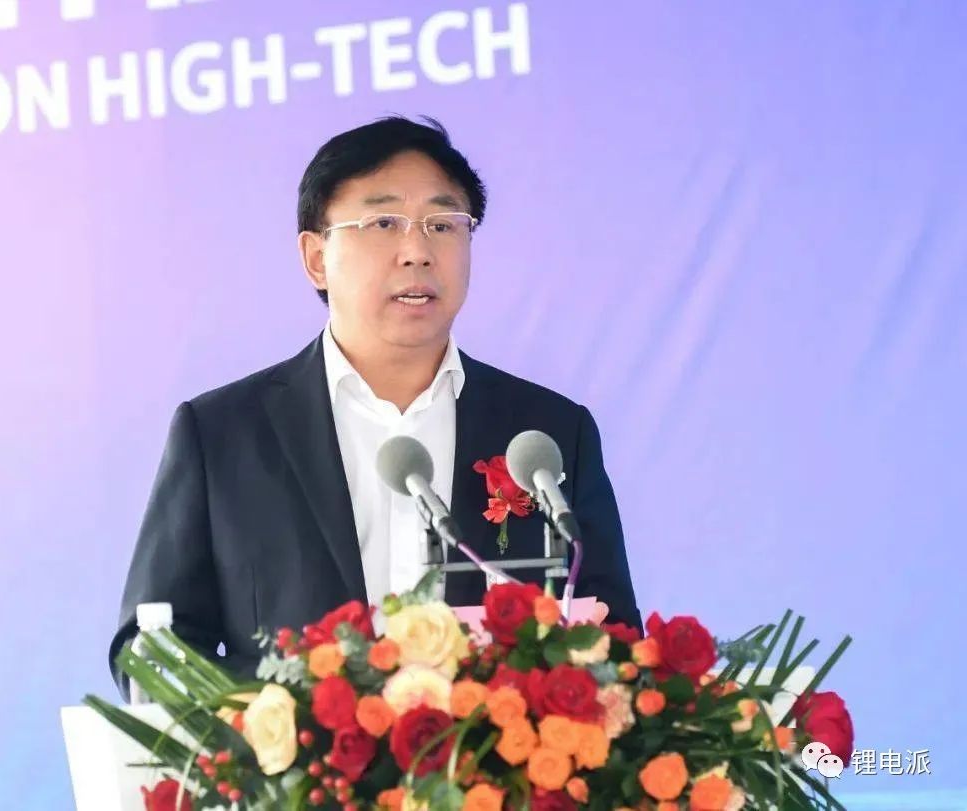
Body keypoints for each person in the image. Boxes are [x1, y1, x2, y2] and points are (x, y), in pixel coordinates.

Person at [109, 116, 640, 696]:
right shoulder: (223, 435)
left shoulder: (547, 434)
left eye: (443, 224)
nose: (417, 251)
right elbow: (153, 650)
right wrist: (295, 706)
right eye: (383, 223)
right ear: (316, 257)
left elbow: (615, 642)